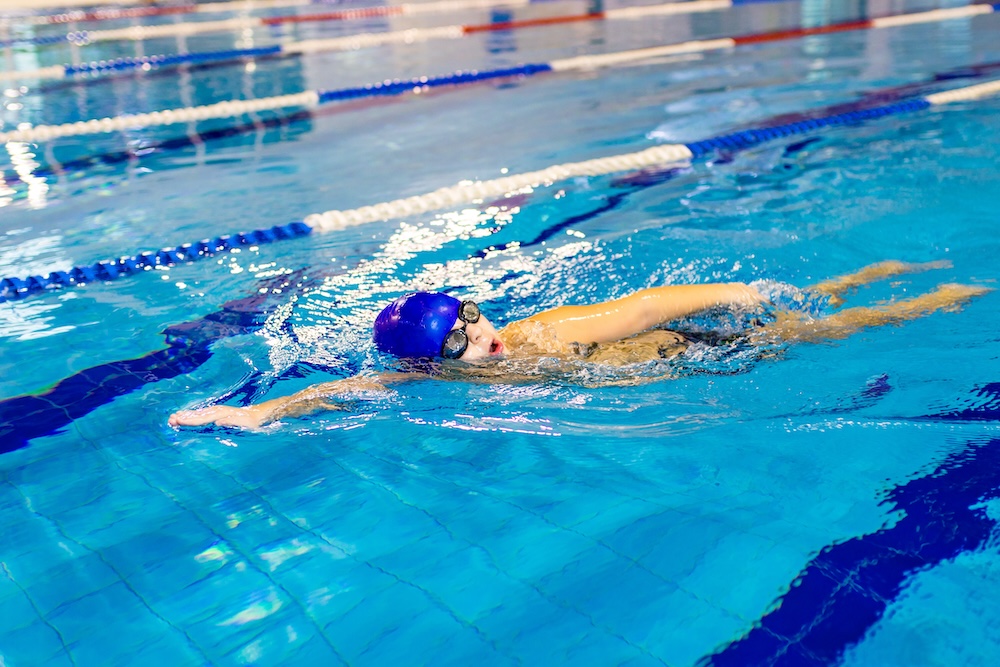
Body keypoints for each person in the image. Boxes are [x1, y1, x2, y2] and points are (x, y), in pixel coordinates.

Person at [168, 260, 989, 430]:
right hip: (674, 363)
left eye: (474, 315)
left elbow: (637, 309)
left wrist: (733, 295)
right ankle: (874, 278)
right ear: (428, 362)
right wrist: (262, 412)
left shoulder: (542, 334)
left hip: (693, 345)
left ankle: (925, 294)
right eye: (458, 338)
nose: (480, 336)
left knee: (824, 324)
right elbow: (349, 390)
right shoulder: (435, 382)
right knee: (818, 319)